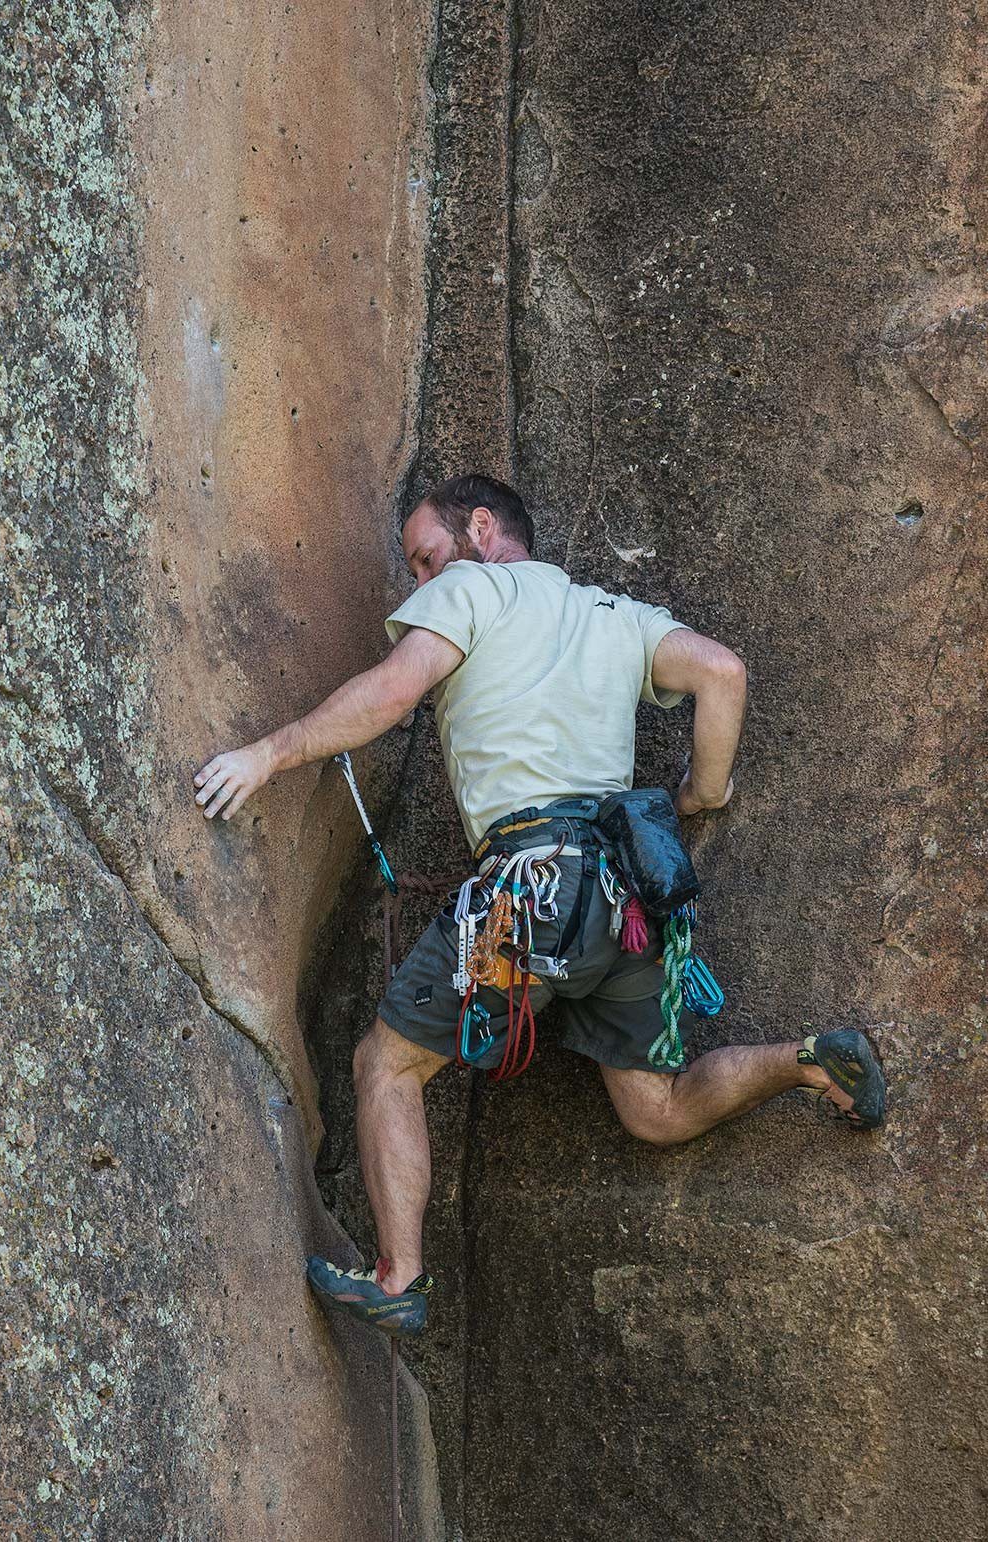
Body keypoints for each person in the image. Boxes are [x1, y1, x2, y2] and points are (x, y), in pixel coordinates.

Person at [193, 473, 887, 1339]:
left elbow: (391, 692)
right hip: (628, 902)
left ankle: (398, 1273)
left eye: (425, 557)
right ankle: (809, 1060)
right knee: (654, 1109)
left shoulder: (470, 589)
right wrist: (702, 793)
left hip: (528, 892)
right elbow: (721, 670)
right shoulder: (613, 615)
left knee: (389, 1065)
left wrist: (268, 753)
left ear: (480, 528)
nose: (422, 585)